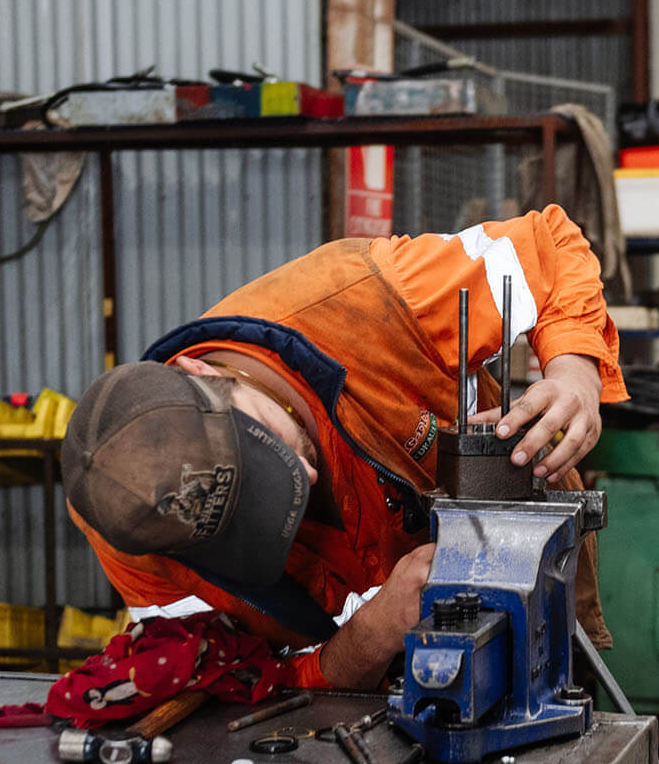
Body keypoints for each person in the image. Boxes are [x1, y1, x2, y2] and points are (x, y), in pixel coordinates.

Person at [62, 206, 626, 691]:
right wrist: (372, 636)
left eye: (269, 455)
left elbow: (548, 247)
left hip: (534, 608)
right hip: (358, 708)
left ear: (198, 369)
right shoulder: (133, 522)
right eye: (254, 513)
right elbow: (236, 679)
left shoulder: (363, 296)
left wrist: (575, 374)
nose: (304, 477)